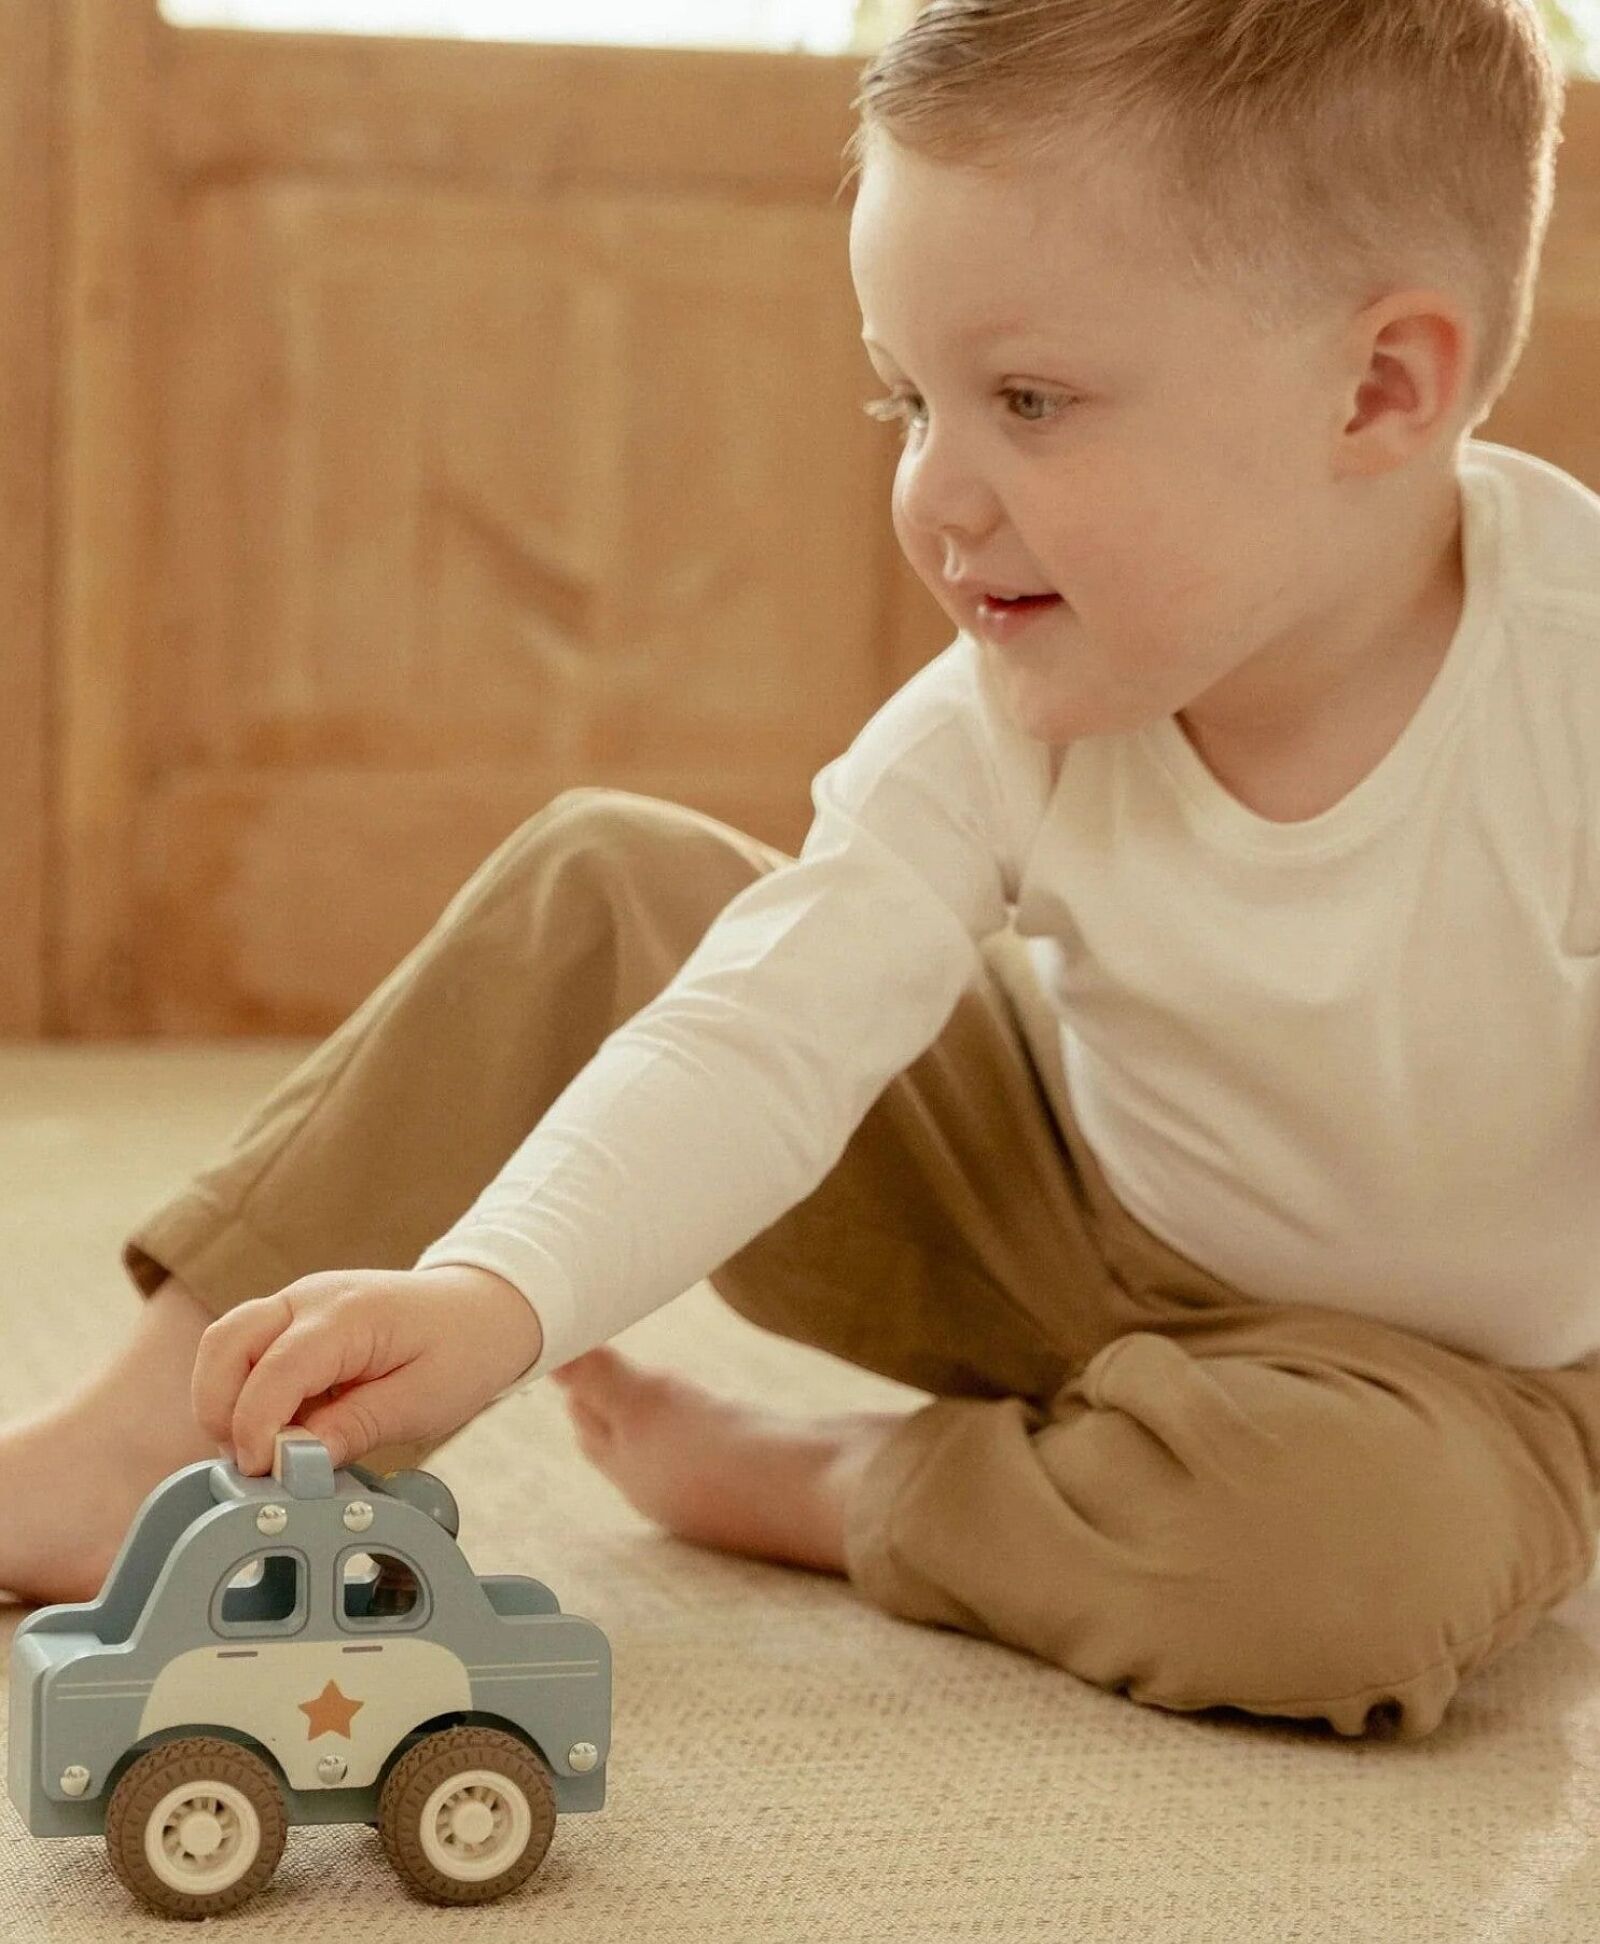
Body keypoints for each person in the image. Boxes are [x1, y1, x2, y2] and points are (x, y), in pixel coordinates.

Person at [6, 0, 1598, 1744]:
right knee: (609, 879)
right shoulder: (1008, 712)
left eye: (1030, 402)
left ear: (1379, 389)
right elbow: (761, 1030)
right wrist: (495, 1294)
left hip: (1445, 1378)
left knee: (1349, 1566)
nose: (933, 492)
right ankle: (154, 1443)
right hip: (1058, 1207)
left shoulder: (1568, 685)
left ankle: (843, 1490)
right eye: (906, 398)